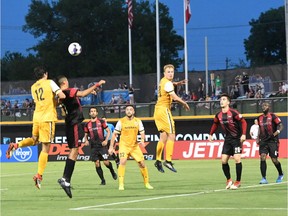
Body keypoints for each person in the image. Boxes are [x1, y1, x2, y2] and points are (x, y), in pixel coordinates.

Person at [5, 66, 66, 189]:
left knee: (34, 139)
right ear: (45, 74)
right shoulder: (50, 83)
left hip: (37, 117)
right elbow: (62, 96)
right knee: (45, 148)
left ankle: (16, 145)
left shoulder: (33, 87)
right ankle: (39, 175)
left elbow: (40, 101)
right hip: (47, 118)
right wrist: (60, 98)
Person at [56, 75, 106, 198]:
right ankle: (65, 179)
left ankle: (65, 178)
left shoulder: (60, 95)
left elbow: (72, 102)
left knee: (75, 150)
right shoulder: (67, 91)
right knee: (75, 150)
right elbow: (82, 94)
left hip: (69, 123)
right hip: (74, 123)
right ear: (65, 82)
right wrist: (97, 84)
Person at [153, 64, 190, 173]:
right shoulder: (168, 83)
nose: (170, 73)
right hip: (164, 110)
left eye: (172, 72)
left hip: (157, 110)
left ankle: (158, 160)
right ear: (164, 73)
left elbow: (167, 86)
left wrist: (176, 83)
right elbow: (174, 97)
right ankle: (168, 160)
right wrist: (184, 103)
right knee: (172, 135)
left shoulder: (163, 81)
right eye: (168, 72)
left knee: (163, 137)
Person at [108, 105, 153, 191]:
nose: (129, 111)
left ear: (133, 112)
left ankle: (147, 183)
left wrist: (143, 140)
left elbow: (142, 132)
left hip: (134, 146)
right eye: (127, 110)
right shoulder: (121, 121)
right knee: (123, 161)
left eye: (130, 110)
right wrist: (111, 147)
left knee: (142, 163)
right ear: (125, 111)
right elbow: (114, 134)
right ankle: (121, 184)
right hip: (124, 146)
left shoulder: (138, 121)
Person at [208, 93, 247, 190]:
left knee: (237, 159)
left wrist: (243, 134)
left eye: (224, 99)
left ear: (228, 102)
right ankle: (229, 180)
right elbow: (215, 124)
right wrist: (211, 134)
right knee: (224, 161)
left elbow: (244, 122)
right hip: (228, 140)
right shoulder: (218, 115)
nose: (221, 101)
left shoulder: (234, 113)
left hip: (236, 139)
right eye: (221, 99)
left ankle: (238, 182)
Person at [83, 107, 117, 185]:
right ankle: (102, 180)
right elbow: (86, 134)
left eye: (94, 111)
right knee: (97, 163)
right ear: (89, 113)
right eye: (91, 111)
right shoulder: (87, 124)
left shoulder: (101, 121)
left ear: (97, 113)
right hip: (93, 146)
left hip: (101, 145)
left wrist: (105, 140)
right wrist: (86, 140)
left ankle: (112, 171)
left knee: (106, 162)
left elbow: (108, 131)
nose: (93, 112)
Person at [256, 102, 284, 184]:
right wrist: (257, 138)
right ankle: (264, 178)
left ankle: (281, 174)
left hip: (273, 141)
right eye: (262, 106)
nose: (263, 107)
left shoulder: (273, 116)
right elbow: (259, 128)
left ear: (269, 107)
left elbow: (281, 125)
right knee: (262, 157)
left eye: (265, 106)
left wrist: (276, 133)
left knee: (274, 160)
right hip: (263, 141)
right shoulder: (259, 118)